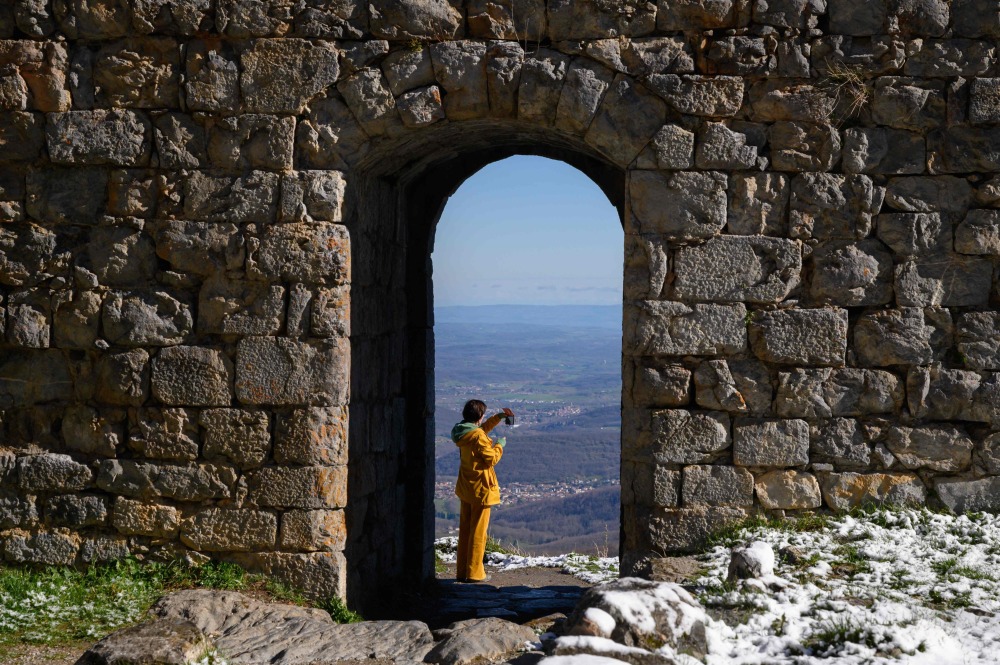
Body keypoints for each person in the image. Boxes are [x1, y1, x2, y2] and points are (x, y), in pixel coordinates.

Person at [451, 399, 515, 583]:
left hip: (466, 486)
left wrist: (498, 418)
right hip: (481, 487)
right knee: (479, 532)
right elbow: (490, 459)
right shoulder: (477, 436)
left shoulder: (461, 431)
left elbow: (479, 432)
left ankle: (462, 571)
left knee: (465, 530)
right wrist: (499, 445)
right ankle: (474, 573)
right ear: (479, 416)